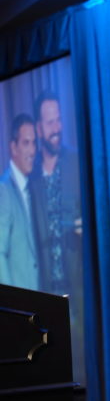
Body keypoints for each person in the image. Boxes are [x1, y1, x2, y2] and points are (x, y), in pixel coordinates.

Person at [30, 90, 82, 295]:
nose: (57, 128)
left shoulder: (76, 163)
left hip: (79, 287)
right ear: (38, 129)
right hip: (46, 293)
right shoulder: (31, 175)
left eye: (59, 120)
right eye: (50, 122)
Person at [0, 114, 39, 290]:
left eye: (34, 143)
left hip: (36, 304)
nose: (32, 151)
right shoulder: (4, 189)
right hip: (19, 308)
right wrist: (11, 305)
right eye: (26, 143)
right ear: (13, 147)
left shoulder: (32, 187)